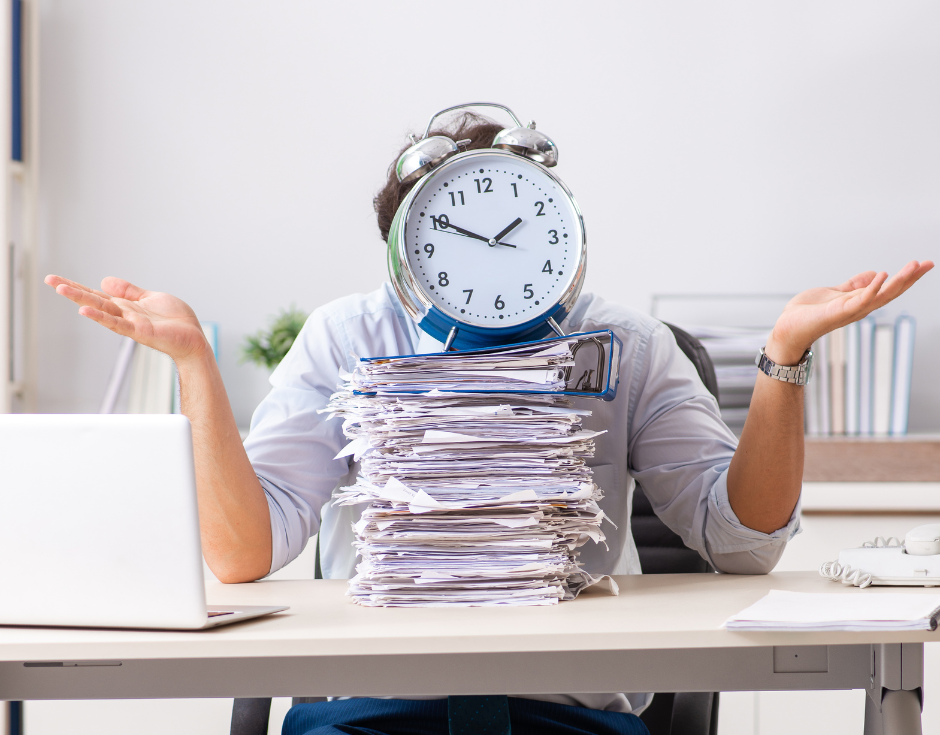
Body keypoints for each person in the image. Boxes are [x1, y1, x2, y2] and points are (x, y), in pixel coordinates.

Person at [46, 113, 933, 735]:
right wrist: (194, 362)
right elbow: (244, 555)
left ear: (559, 236)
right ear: (408, 250)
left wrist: (784, 358)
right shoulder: (349, 337)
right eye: (457, 238)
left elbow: (743, 544)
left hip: (567, 719)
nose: (495, 258)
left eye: (514, 229)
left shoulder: (627, 342)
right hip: (364, 718)